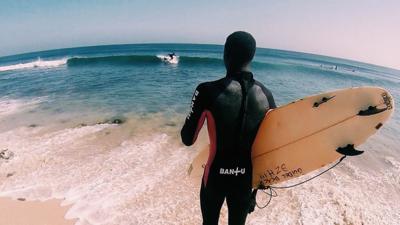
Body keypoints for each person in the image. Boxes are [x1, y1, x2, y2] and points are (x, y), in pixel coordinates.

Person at [180, 31, 276, 225]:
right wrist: (255, 192)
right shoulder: (267, 96)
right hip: (245, 181)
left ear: (226, 54)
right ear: (252, 56)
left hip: (215, 178)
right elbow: (269, 150)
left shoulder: (206, 91)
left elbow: (187, 139)